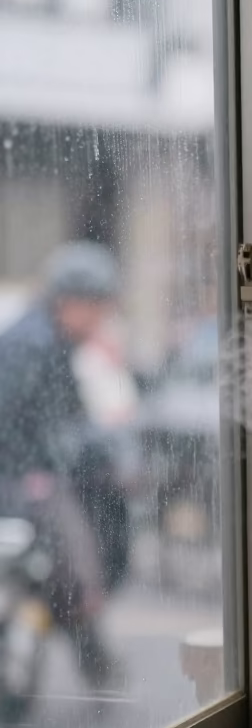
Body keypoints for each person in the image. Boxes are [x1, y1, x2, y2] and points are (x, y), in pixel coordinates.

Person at [0, 240, 124, 686]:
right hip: (17, 482)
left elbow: (67, 419)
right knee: (74, 553)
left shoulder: (53, 340)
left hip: (29, 473)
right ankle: (93, 650)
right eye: (97, 306)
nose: (101, 318)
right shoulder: (31, 346)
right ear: (68, 301)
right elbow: (15, 424)